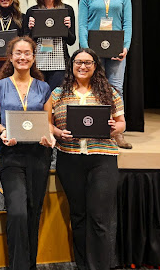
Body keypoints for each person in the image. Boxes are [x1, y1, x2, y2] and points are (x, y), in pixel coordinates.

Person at [50, 48, 126, 270]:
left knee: (100, 218)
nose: (82, 66)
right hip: (70, 159)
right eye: (78, 62)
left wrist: (114, 129)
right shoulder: (57, 93)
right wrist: (57, 132)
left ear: (95, 66)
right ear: (71, 65)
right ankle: (84, 265)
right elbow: (47, 122)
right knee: (79, 216)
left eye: (88, 62)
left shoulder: (109, 92)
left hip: (102, 158)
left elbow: (122, 123)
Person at [0, 36, 54, 270]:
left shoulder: (44, 87)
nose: (23, 57)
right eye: (18, 53)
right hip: (11, 154)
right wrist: (4, 131)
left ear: (33, 58)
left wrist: (49, 137)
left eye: (27, 53)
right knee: (17, 211)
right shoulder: (0, 85)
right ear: (11, 56)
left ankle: (31, 265)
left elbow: (48, 123)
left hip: (38, 154)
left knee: (33, 211)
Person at [78, 0, 132, 149]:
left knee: (116, 89)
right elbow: (82, 26)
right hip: (94, 53)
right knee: (94, 90)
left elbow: (128, 23)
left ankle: (117, 133)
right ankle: (96, 130)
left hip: (117, 51)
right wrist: (86, 52)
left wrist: (125, 47)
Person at [25, 0, 76, 92]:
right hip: (37, 64)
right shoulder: (32, 11)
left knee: (56, 99)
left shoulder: (67, 10)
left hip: (60, 64)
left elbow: (72, 40)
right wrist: (31, 30)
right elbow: (25, 42)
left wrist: (67, 29)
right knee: (38, 98)